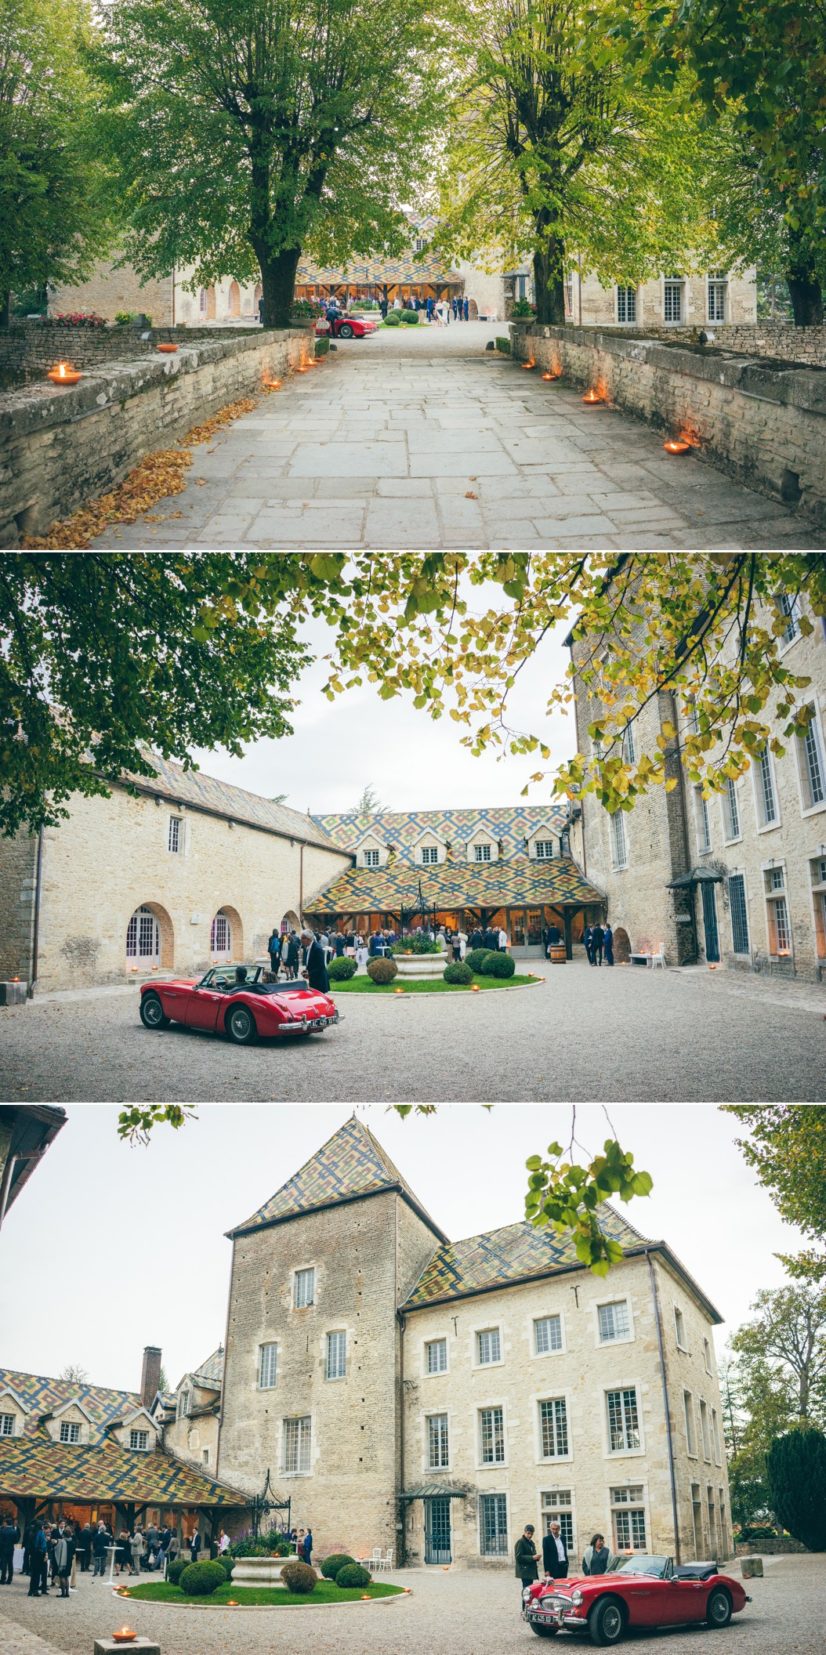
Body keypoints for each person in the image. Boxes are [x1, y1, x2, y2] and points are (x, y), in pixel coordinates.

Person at [514, 1523, 538, 1600]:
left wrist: (536, 1557)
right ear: (524, 1532)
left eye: (531, 1534)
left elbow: (532, 1554)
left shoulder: (531, 1543)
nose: (530, 1535)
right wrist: (532, 1557)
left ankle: (528, 1608)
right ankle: (524, 1609)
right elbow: (518, 1557)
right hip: (524, 1571)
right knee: (526, 1591)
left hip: (530, 1570)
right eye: (528, 1533)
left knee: (530, 1590)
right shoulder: (520, 1542)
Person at [301, 928, 330, 993]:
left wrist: (309, 973)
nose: (301, 940)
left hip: (319, 981)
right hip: (314, 980)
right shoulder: (310, 947)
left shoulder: (317, 948)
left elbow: (321, 966)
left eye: (303, 938)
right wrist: (306, 971)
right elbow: (312, 963)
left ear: (308, 939)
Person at [54, 1526, 74, 1598]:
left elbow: (56, 1549)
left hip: (63, 1561)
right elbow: (74, 1551)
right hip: (69, 1561)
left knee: (62, 1576)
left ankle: (63, 1593)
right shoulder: (72, 1542)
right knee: (67, 1577)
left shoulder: (62, 1542)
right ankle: (67, 1593)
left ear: (63, 1535)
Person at [29, 1521, 48, 1596]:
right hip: (39, 1554)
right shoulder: (40, 1533)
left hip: (33, 1554)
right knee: (37, 1573)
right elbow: (42, 1545)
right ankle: (35, 1590)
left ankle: (31, 1590)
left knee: (33, 1573)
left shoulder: (32, 1532)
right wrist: (44, 1552)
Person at [0, 1514, 16, 1585]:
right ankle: (10, 1579)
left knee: (4, 1564)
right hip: (11, 1548)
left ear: (6, 1523)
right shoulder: (14, 1531)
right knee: (10, 1564)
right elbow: (15, 1541)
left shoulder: (2, 1531)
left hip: (3, 1549)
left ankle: (3, 1579)